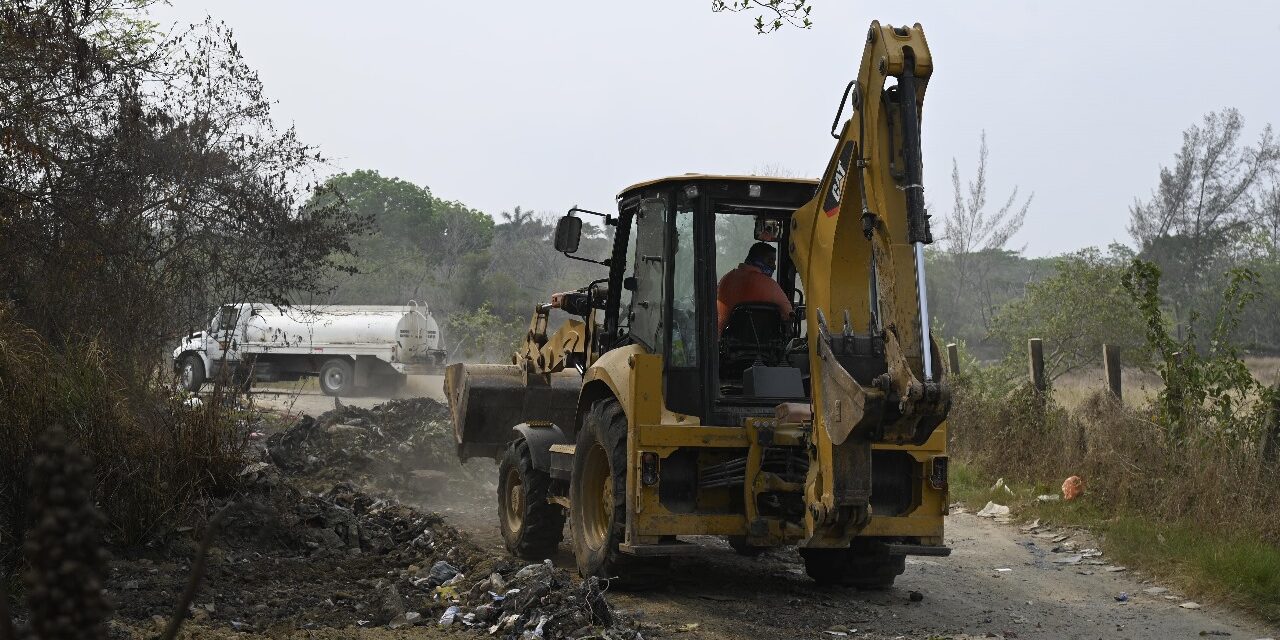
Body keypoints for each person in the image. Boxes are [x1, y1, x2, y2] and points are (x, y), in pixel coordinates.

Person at [716, 241, 794, 331]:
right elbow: (789, 315)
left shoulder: (726, 280)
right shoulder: (771, 285)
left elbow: (718, 317)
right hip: (767, 343)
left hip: (727, 342)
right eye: (770, 261)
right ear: (755, 259)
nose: (774, 267)